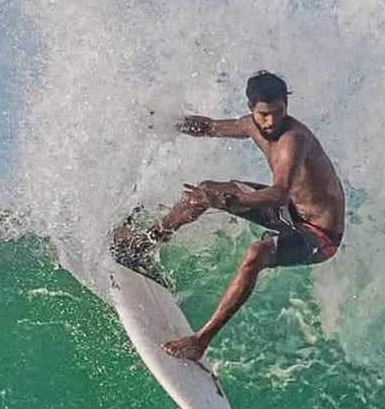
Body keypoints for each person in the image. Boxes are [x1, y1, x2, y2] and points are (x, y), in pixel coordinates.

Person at [114, 70, 346, 360]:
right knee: (204, 190)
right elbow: (210, 126)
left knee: (255, 253)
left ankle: (200, 341)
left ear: (286, 105)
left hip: (319, 234)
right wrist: (169, 123)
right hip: (290, 212)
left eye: (278, 112)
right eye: (264, 114)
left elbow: (279, 193)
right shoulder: (252, 126)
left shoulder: (293, 140)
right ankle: (144, 246)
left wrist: (228, 199)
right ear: (251, 109)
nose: (271, 121)